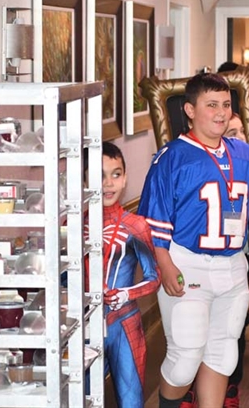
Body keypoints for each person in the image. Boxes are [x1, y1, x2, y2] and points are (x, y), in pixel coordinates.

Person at [137, 73, 249, 408]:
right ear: (190, 110)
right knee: (184, 359)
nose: (222, 112)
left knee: (223, 353)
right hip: (189, 261)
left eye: (226, 104)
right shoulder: (173, 156)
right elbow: (155, 217)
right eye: (212, 105)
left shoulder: (247, 154)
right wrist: (164, 263)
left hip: (233, 263)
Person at [95, 142, 160, 408]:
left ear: (125, 178)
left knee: (131, 401)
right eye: (99, 176)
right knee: (80, 398)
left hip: (125, 324)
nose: (108, 183)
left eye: (116, 174)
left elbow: (154, 277)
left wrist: (126, 293)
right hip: (85, 327)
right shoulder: (72, 225)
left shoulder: (136, 226)